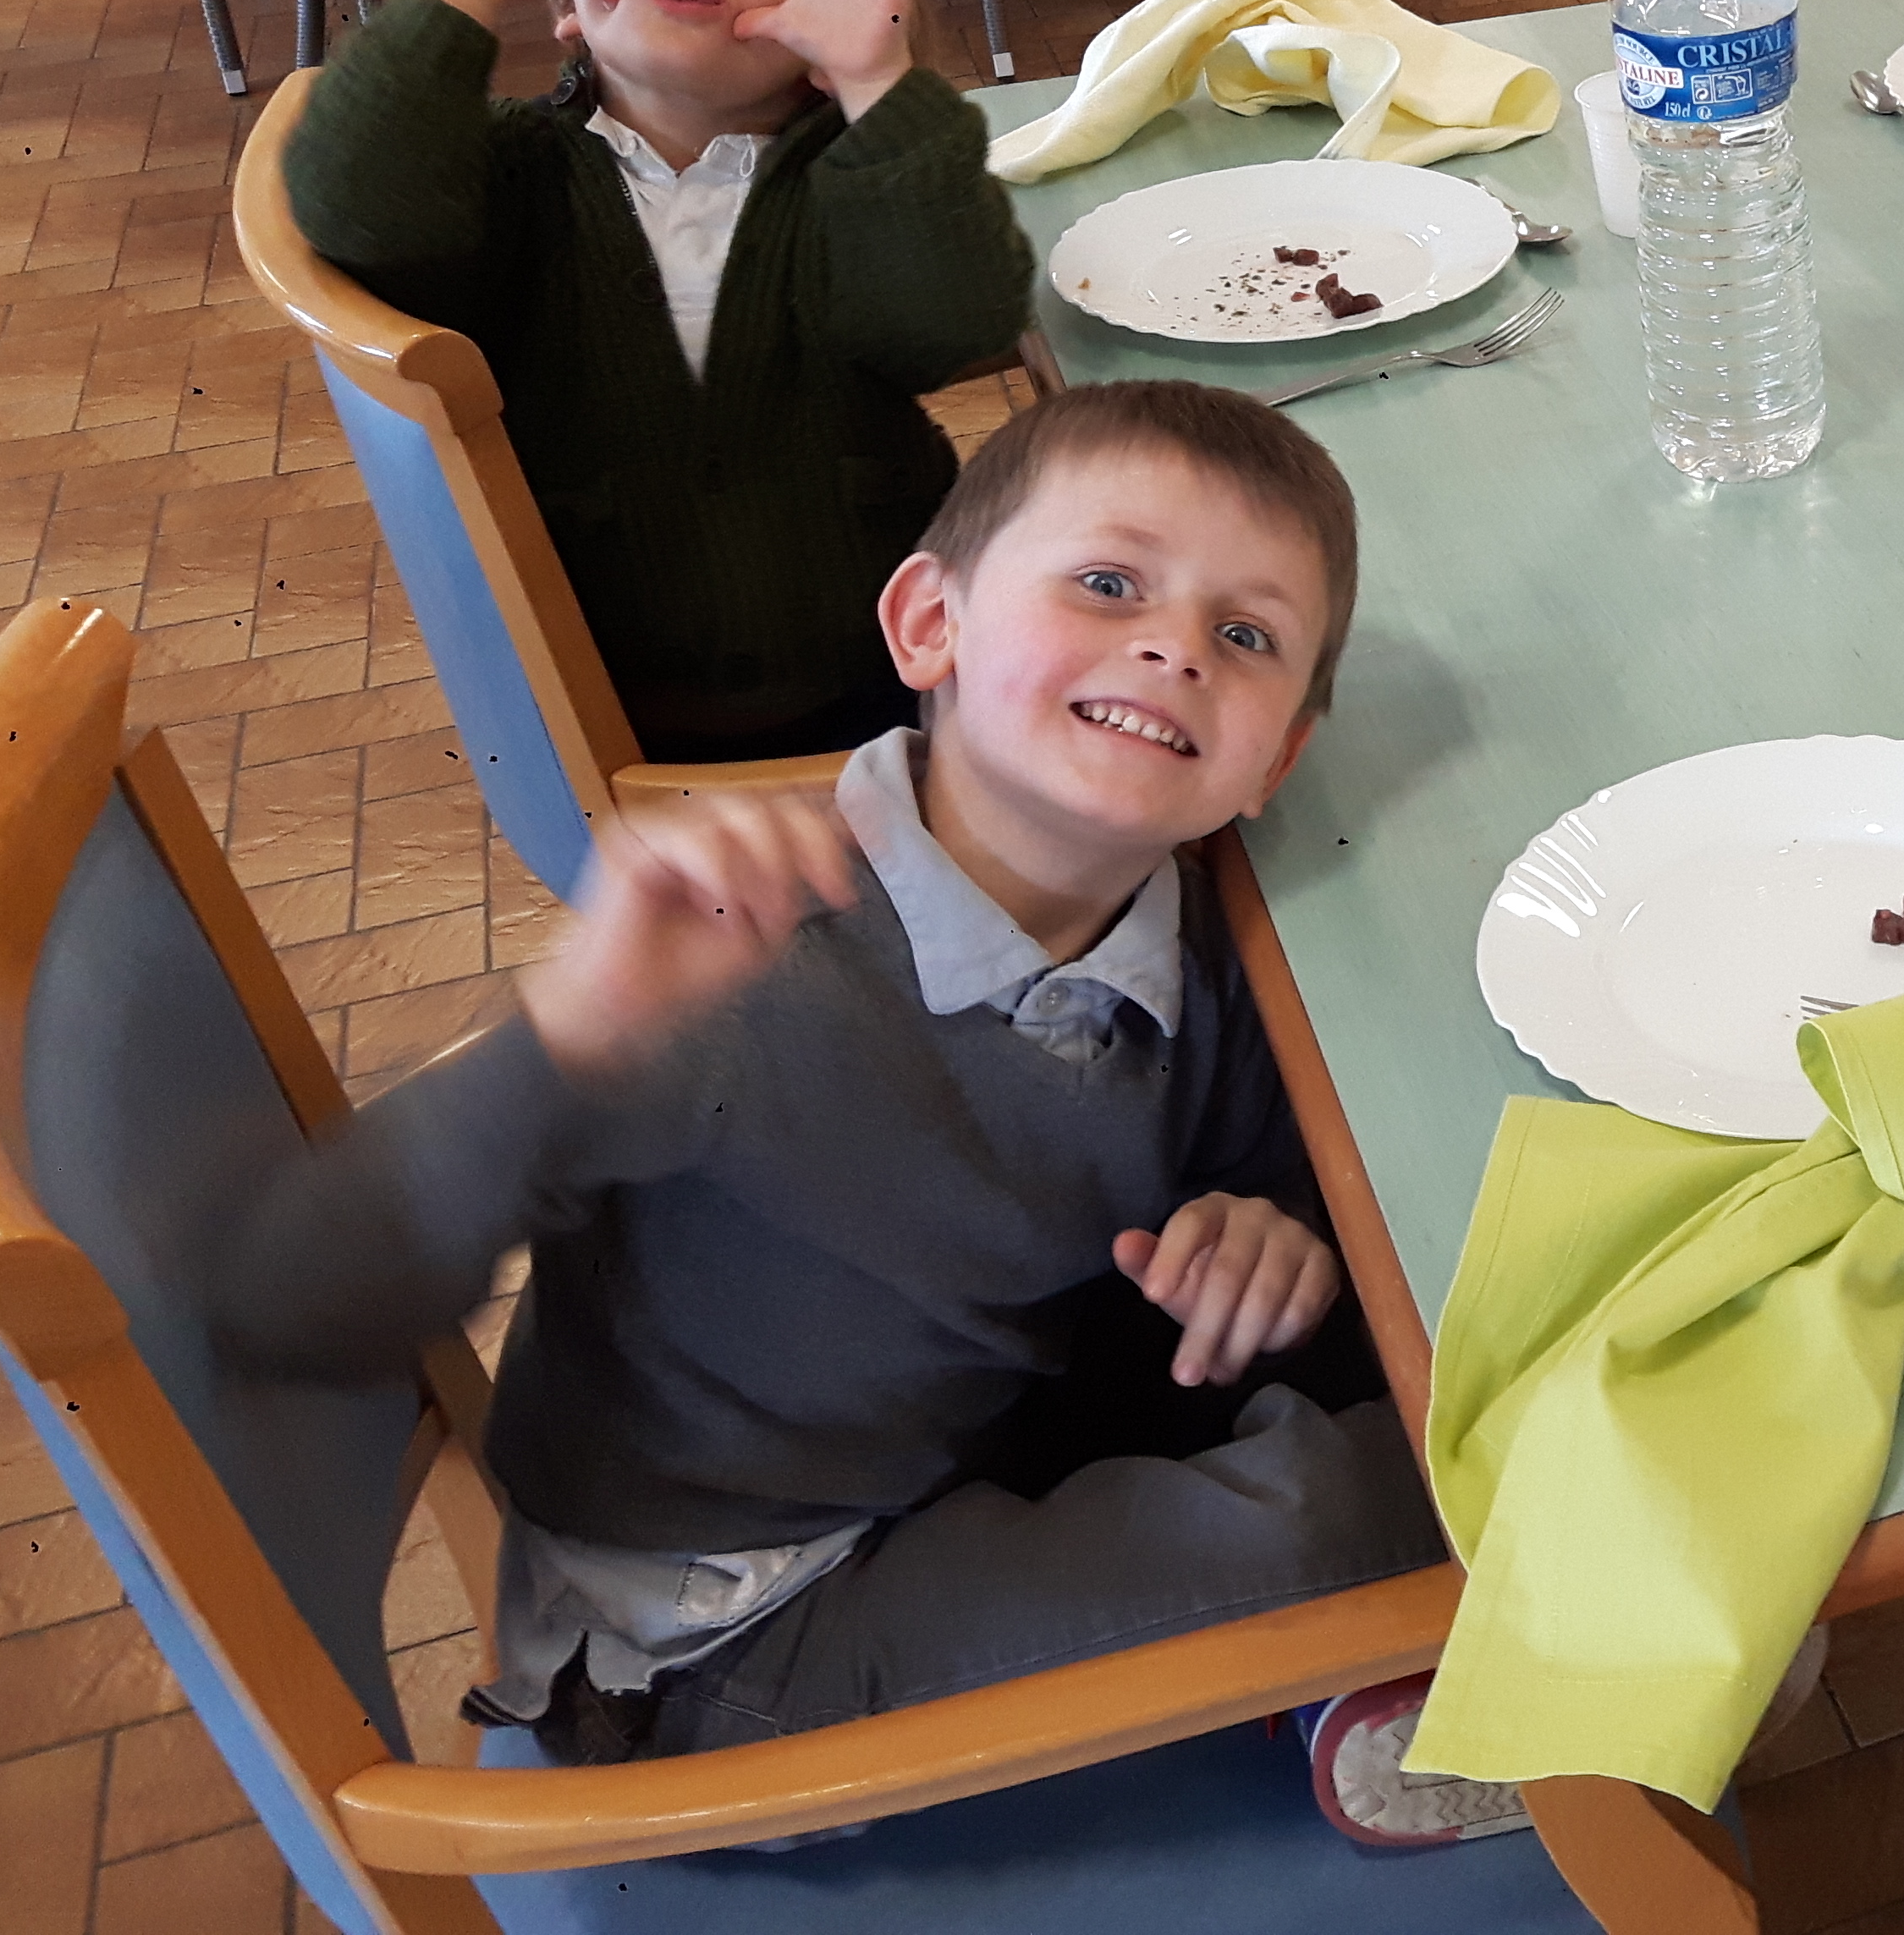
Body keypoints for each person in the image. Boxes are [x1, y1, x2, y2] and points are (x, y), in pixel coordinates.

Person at [210, 382, 1495, 1832]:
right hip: (732, 1645)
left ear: (1279, 758)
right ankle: (1448, 1690)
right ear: (930, 624)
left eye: (1245, 635)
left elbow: (1260, 1157)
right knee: (1431, 1476)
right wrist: (567, 1038)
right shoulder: (729, 972)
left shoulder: (1190, 946)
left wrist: (1267, 1228)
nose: (1175, 647)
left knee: (1418, 1335)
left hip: (970, 1442)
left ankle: (1331, 1666)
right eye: (1107, 583)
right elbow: (291, 1298)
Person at [283, 0, 1033, 761]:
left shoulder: (855, 181)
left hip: (894, 684)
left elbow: (960, 320)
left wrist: (877, 83)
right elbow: (350, 204)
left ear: (818, 42)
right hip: (609, 718)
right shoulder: (510, 173)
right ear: (571, 7)